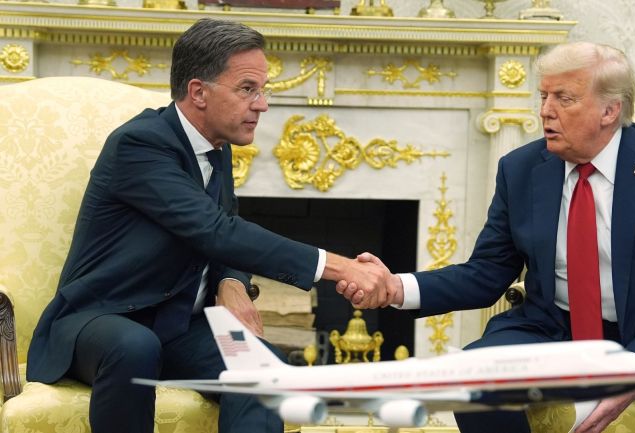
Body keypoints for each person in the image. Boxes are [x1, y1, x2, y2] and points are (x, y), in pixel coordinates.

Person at [339, 42, 635, 433]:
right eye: (543, 97)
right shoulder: (521, 169)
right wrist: (397, 287)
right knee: (473, 383)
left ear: (610, 110)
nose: (545, 111)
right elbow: (487, 272)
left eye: (564, 98)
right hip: (553, 327)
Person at [25, 18, 391, 433]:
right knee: (135, 345)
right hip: (100, 319)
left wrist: (231, 281)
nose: (262, 105)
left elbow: (221, 228)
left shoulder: (216, 147)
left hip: (177, 326)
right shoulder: (139, 145)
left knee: (265, 372)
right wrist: (341, 268)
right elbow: (215, 230)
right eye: (247, 89)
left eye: (263, 90)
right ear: (199, 92)